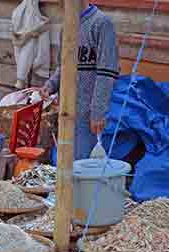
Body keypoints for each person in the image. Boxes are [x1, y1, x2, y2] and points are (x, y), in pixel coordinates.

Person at [41, 0, 119, 160]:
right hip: (66, 110)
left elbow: (107, 72)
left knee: (82, 164)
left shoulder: (102, 23)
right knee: (64, 161)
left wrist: (97, 111)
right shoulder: (66, 26)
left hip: (88, 114)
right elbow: (63, 66)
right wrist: (50, 85)